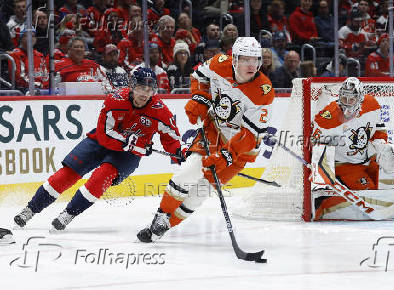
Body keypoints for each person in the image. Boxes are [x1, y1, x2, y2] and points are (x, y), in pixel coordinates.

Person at [137, 36, 275, 243]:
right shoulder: (219, 63)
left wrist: (226, 156)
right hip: (214, 130)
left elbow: (250, 135)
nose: (251, 65)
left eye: (255, 59)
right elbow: (198, 77)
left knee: (202, 191)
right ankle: (161, 216)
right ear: (234, 59)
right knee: (189, 171)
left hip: (241, 147)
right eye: (245, 59)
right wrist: (199, 98)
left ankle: (165, 226)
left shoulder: (264, 91)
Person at [13, 67, 185, 231]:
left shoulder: (160, 111)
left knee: (101, 177)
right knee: (67, 174)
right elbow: (105, 134)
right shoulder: (115, 99)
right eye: (141, 87)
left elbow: (172, 139)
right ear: (132, 86)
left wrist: (181, 153)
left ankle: (68, 214)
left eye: (149, 89)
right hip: (100, 142)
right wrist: (131, 141)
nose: (144, 93)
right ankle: (31, 209)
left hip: (128, 155)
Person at [311, 77, 394, 220]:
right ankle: (325, 200)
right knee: (372, 193)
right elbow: (312, 140)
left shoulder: (371, 104)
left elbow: (378, 128)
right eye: (344, 98)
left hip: (367, 160)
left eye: (351, 100)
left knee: (391, 181)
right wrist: (322, 168)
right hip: (345, 166)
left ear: (360, 98)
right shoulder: (328, 117)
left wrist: (381, 145)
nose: (347, 104)